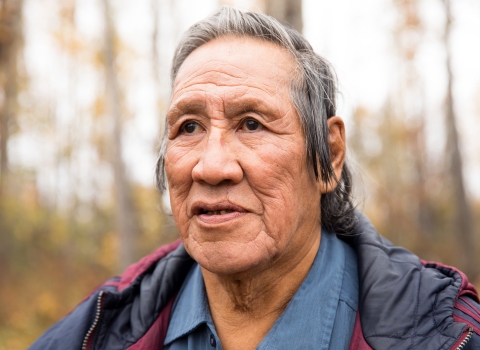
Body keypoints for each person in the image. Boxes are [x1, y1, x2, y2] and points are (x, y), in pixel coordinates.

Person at [30, 7, 480, 350]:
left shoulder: (447, 331)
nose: (211, 166)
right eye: (189, 127)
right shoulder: (100, 329)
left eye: (251, 124)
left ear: (329, 157)